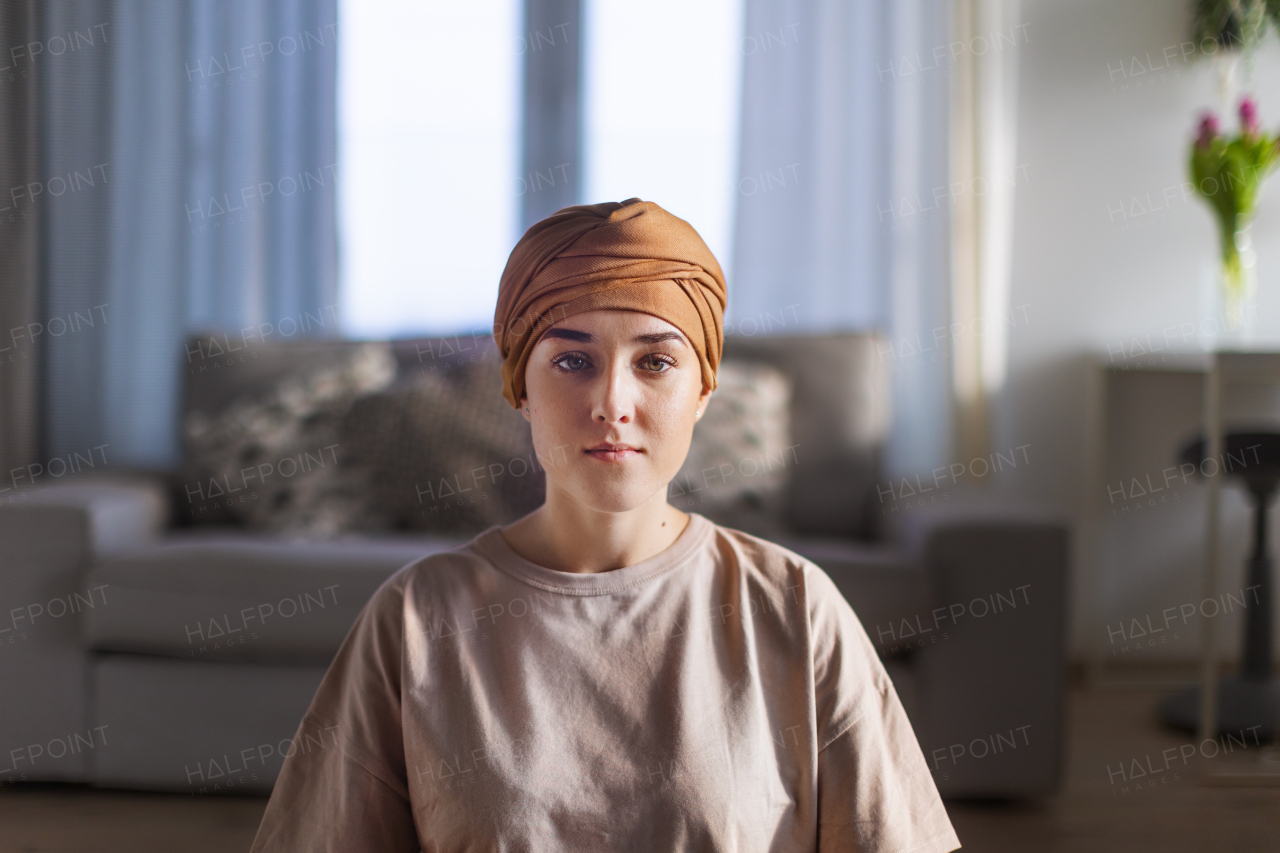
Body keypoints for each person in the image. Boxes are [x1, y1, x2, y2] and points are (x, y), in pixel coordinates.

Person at [250, 198, 961, 852]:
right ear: (519, 388)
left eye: (655, 361)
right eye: (572, 360)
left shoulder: (796, 607)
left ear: (703, 390)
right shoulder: (414, 617)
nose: (612, 400)